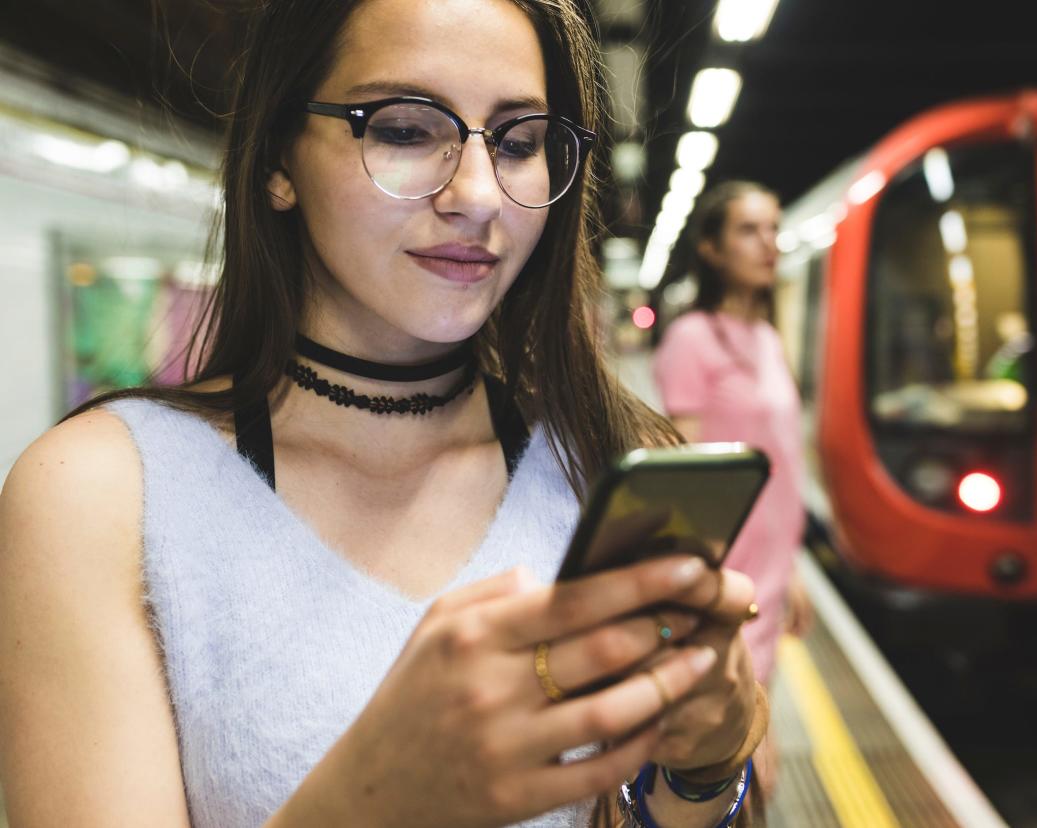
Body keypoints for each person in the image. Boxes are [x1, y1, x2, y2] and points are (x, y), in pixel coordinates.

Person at [0, 2, 767, 826]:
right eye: (403, 129)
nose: (478, 196)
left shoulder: (606, 456)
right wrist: (374, 800)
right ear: (277, 159)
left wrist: (705, 768)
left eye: (518, 142)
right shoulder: (103, 497)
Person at [654, 181, 813, 689]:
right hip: (728, 569)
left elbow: (785, 464)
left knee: (760, 722)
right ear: (711, 248)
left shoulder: (768, 339)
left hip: (773, 560)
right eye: (748, 230)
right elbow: (688, 476)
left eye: (773, 229)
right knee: (738, 726)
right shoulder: (691, 339)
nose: (769, 244)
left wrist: (794, 570)